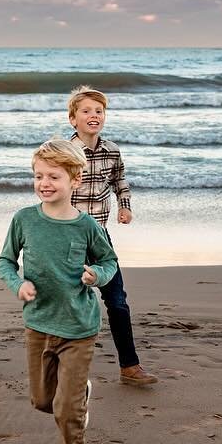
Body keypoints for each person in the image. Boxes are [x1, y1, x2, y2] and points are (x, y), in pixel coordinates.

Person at [0, 138, 119, 444]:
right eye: (38, 176)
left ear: (75, 181)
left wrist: (95, 275)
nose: (44, 183)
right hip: (38, 324)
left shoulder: (86, 227)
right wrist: (18, 284)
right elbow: (4, 262)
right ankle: (79, 396)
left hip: (79, 327)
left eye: (54, 176)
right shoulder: (24, 220)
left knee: (66, 411)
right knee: (42, 400)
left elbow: (109, 262)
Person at [68, 85, 158, 385]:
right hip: (69, 239)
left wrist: (125, 207)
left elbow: (121, 181)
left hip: (101, 237)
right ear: (73, 119)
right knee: (69, 302)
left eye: (99, 111)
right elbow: (49, 187)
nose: (94, 116)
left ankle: (129, 366)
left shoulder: (112, 150)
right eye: (87, 111)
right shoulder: (63, 152)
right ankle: (63, 368)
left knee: (117, 300)